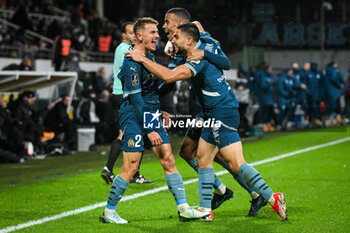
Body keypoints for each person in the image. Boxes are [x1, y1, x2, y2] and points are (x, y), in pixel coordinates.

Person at [125, 22, 288, 221]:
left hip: (221, 113)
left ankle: (272, 197)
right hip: (209, 114)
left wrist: (141, 58)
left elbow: (169, 77)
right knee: (202, 158)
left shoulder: (197, 58)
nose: (170, 37)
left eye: (174, 34)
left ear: (188, 39)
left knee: (235, 163)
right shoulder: (192, 48)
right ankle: (205, 210)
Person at [99, 18, 210, 224]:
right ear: (139, 36)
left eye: (157, 31)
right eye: (152, 32)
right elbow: (136, 99)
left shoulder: (148, 56)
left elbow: (160, 88)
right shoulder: (131, 62)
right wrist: (150, 128)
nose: (158, 35)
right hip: (133, 115)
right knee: (131, 166)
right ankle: (109, 212)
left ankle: (183, 208)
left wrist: (176, 66)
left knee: (168, 159)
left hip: (149, 113)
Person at [162, 7, 266, 216]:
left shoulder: (199, 33)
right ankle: (222, 190)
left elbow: (224, 62)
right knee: (188, 152)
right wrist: (173, 57)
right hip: (203, 109)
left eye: (167, 22)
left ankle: (258, 194)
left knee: (227, 159)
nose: (163, 26)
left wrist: (204, 53)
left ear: (179, 22)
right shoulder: (175, 41)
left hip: (216, 109)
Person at [100, 22, 153, 185]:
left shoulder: (120, 49)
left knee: (129, 133)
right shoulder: (125, 50)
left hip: (119, 95)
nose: (133, 36)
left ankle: (118, 170)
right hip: (124, 96)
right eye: (130, 33)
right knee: (131, 133)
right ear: (123, 35)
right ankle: (124, 171)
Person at [255, 62, 276, 132]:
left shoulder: (271, 76)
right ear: (267, 69)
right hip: (264, 96)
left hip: (270, 95)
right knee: (265, 109)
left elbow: (275, 81)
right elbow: (262, 86)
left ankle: (268, 123)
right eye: (270, 68)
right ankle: (262, 124)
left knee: (271, 109)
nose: (271, 70)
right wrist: (269, 83)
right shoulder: (262, 76)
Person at [324, 61, 345, 127]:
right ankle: (334, 121)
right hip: (334, 91)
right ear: (334, 65)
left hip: (327, 91)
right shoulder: (334, 70)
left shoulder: (325, 71)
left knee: (329, 106)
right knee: (335, 106)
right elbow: (334, 78)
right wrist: (339, 85)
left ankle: (328, 121)